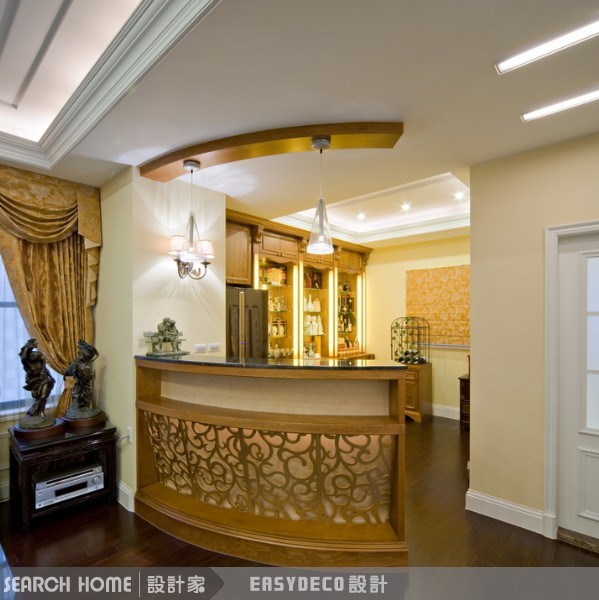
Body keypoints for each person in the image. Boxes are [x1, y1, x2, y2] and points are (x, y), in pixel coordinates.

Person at [19, 338, 55, 417]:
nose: (34, 356)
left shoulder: (40, 362)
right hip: (34, 382)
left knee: (43, 396)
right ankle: (35, 411)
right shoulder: (27, 364)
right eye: (32, 355)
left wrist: (51, 378)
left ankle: (42, 412)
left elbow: (45, 370)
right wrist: (28, 347)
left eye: (36, 355)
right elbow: (23, 358)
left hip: (44, 379)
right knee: (38, 398)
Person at [64, 340, 99, 412]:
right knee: (77, 392)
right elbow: (69, 372)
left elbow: (97, 354)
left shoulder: (87, 360)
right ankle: (77, 407)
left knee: (86, 393)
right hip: (79, 378)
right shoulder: (76, 362)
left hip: (85, 378)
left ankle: (84, 407)